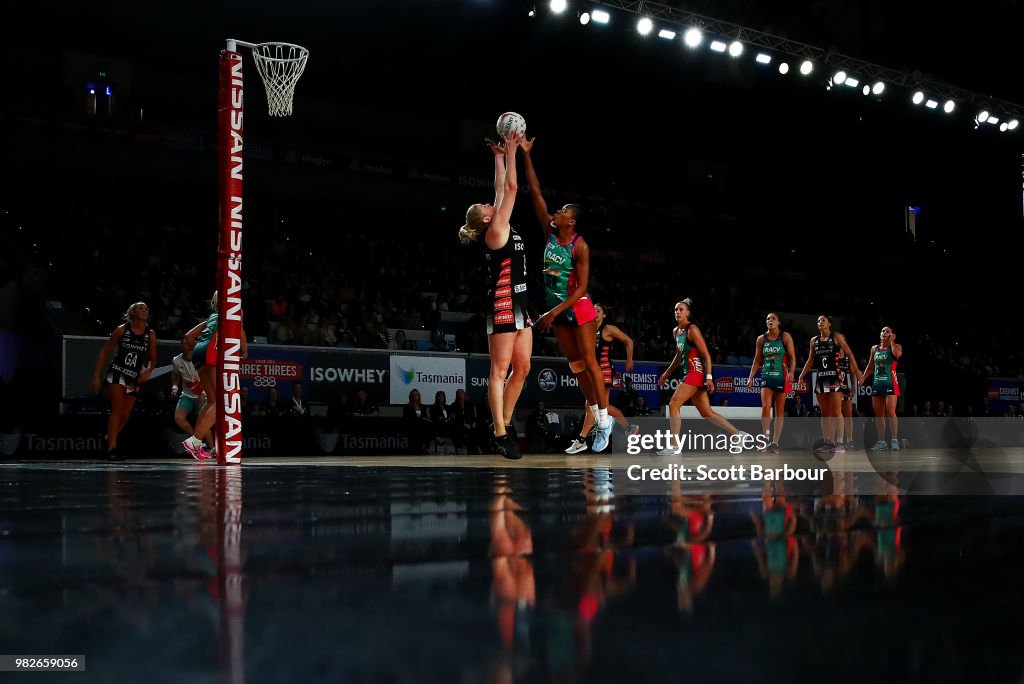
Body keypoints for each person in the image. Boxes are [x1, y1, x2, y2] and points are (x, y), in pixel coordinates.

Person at [521, 137, 613, 452]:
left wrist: (555, 312)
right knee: (576, 368)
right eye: (557, 210)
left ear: (570, 222)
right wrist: (527, 155)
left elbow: (584, 288)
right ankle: (599, 416)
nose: (555, 212)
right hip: (556, 311)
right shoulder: (548, 232)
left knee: (590, 363)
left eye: (561, 211)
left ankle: (604, 421)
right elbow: (534, 192)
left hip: (577, 307)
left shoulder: (580, 245)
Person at [458, 132, 531, 459]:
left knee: (523, 368)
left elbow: (501, 189)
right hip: (502, 304)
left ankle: (503, 420)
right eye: (487, 206)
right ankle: (500, 432)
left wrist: (498, 157)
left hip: (521, 303)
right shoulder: (496, 229)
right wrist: (514, 150)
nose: (491, 202)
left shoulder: (497, 222)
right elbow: (512, 189)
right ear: (486, 217)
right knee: (498, 371)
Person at [656, 299, 749, 455]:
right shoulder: (676, 332)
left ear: (688, 313)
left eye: (681, 309)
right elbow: (679, 356)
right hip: (689, 372)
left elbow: (706, 355)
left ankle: (674, 446)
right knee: (706, 412)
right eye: (675, 310)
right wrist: (666, 373)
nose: (677, 312)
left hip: (696, 372)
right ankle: (738, 434)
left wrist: (709, 377)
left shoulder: (693, 330)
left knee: (673, 404)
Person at [180, 292, 247, 460]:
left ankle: (198, 443)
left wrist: (202, 347)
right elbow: (240, 330)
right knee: (222, 402)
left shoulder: (212, 316)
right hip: (211, 351)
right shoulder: (234, 310)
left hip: (199, 352)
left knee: (211, 401)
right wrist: (244, 351)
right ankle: (195, 440)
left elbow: (188, 336)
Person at [566, 304, 640, 453]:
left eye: (598, 310)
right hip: (590, 371)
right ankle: (627, 428)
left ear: (604, 315)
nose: (594, 312)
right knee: (601, 406)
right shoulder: (588, 328)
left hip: (604, 370)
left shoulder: (608, 329)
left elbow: (629, 341)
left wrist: (629, 359)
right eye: (592, 310)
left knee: (591, 406)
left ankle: (582, 440)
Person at [91, 301, 158, 460]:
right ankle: (112, 448)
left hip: (134, 376)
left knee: (125, 416)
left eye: (146, 309)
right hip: (117, 372)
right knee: (117, 410)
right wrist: (96, 376)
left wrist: (147, 373)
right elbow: (104, 353)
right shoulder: (121, 330)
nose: (144, 310)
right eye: (141, 308)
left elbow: (153, 359)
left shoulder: (151, 334)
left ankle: (108, 438)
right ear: (133, 312)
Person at [797, 315, 862, 454]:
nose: (820, 323)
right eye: (818, 321)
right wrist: (802, 375)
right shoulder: (814, 341)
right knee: (825, 413)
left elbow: (849, 353)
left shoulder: (836, 336)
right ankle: (828, 442)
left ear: (829, 324)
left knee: (836, 411)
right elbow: (810, 360)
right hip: (821, 378)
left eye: (823, 321)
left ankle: (840, 443)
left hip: (834, 377)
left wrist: (857, 371)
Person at [746, 312, 796, 453]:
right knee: (766, 407)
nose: (770, 320)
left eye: (773, 318)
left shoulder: (785, 337)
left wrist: (792, 372)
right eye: (768, 319)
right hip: (766, 376)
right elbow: (757, 360)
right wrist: (751, 377)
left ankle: (775, 442)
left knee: (779, 411)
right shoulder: (761, 339)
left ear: (778, 322)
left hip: (782, 376)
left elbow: (792, 357)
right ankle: (765, 440)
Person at [861, 326, 903, 451]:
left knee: (890, 411)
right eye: (883, 331)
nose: (884, 333)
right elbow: (870, 366)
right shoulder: (874, 349)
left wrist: (892, 341)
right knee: (879, 415)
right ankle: (882, 442)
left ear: (892, 335)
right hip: (877, 383)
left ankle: (894, 440)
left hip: (890, 382)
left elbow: (897, 355)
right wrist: (862, 378)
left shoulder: (896, 346)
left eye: (888, 331)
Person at [171, 344, 208, 453]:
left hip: (202, 393)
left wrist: (204, 393)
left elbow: (207, 376)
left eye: (188, 343)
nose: (187, 346)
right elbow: (175, 374)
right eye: (183, 343)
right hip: (187, 395)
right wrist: (175, 386)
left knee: (203, 421)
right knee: (179, 418)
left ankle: (212, 447)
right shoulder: (176, 360)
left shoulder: (200, 358)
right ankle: (196, 441)